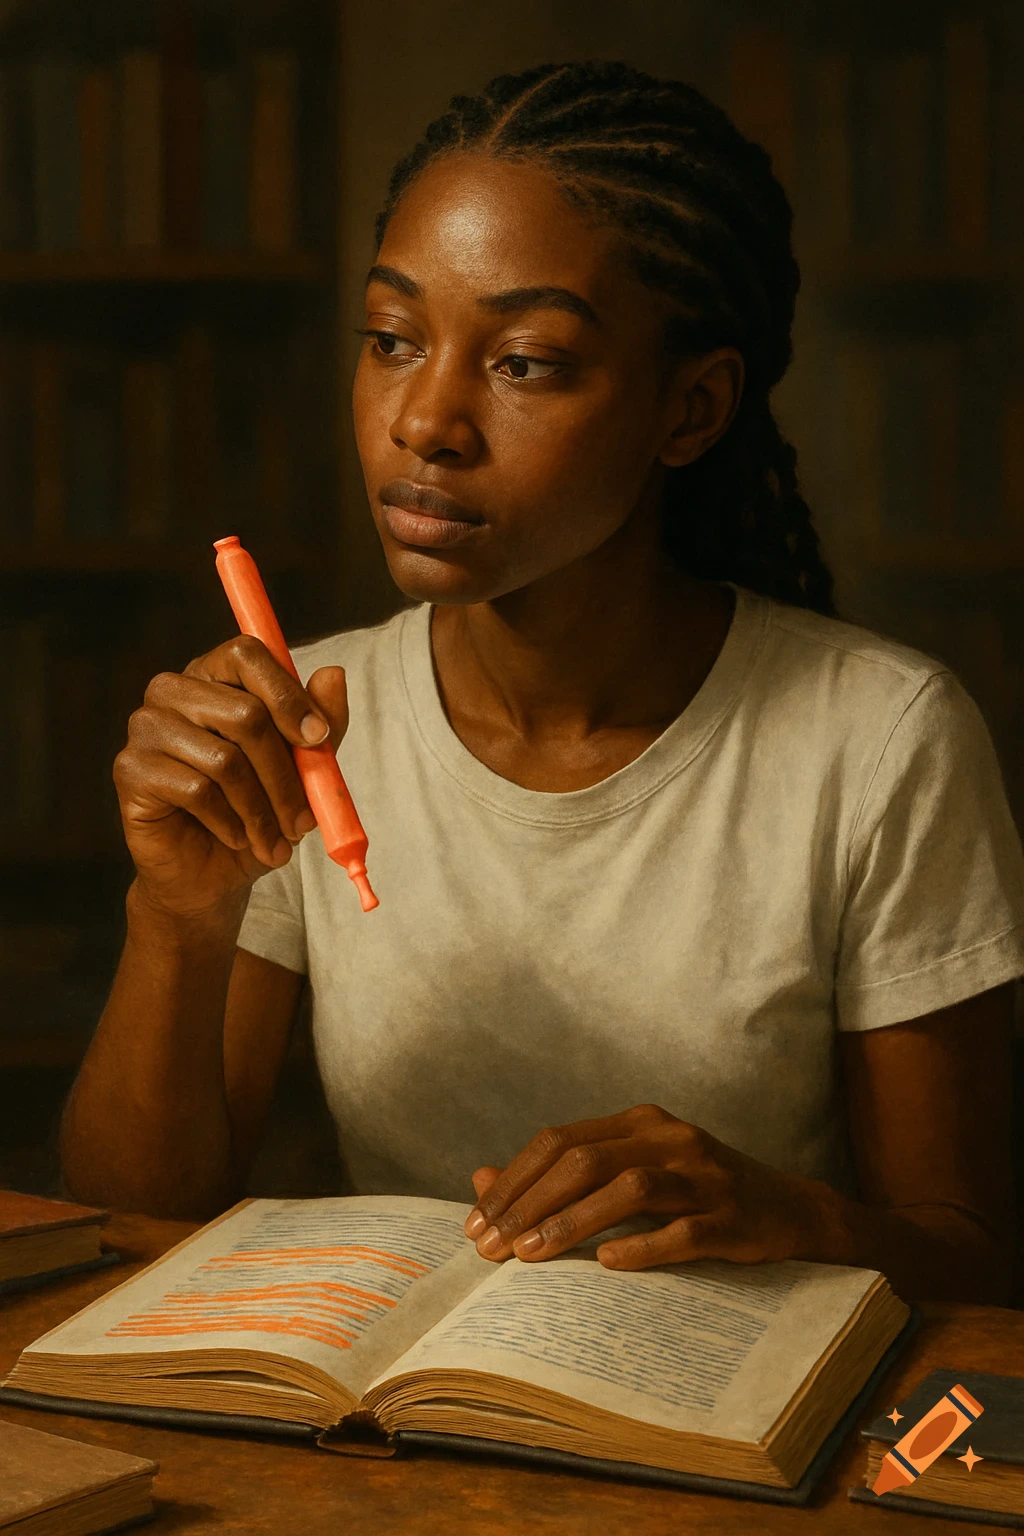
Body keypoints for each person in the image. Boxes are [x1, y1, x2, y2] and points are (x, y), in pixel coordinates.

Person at [61, 61, 1024, 1305]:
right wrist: (177, 920)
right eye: (392, 340)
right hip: (407, 1434)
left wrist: (783, 1211)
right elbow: (123, 1231)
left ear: (689, 408)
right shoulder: (304, 721)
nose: (426, 421)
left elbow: (980, 1272)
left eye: (523, 362)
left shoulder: (878, 740)